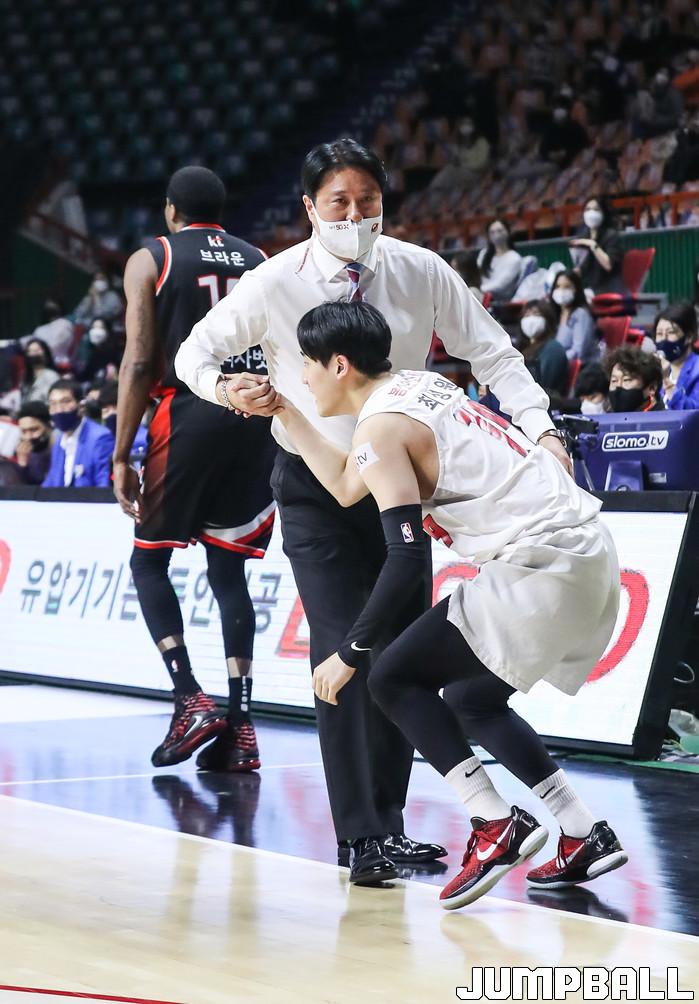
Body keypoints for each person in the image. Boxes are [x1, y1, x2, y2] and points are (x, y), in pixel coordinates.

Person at [175, 138, 571, 886]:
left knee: (397, 654)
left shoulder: (421, 269)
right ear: (309, 208)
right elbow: (191, 354)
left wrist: (541, 428)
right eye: (339, 203)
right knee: (344, 646)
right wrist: (226, 389)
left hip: (397, 478)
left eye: (368, 202)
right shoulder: (271, 281)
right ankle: (360, 837)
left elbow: (494, 354)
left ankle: (389, 825)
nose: (355, 215)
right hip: (315, 480)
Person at [275, 299, 626, 910]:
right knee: (471, 699)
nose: (302, 376)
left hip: (541, 562)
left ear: (339, 365)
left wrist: (349, 651)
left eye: (306, 363)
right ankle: (581, 831)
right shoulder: (421, 386)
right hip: (589, 552)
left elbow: (405, 556)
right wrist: (284, 411)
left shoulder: (378, 430)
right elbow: (347, 485)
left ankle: (494, 822)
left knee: (390, 677)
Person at [113, 166, 277, 775]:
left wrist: (121, 453)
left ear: (170, 210)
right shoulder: (259, 260)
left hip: (187, 411)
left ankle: (189, 697)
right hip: (255, 416)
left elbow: (138, 361)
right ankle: (241, 726)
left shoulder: (152, 257)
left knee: (148, 561)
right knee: (228, 571)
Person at [43, 378, 113, 487]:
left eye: (65, 402)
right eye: (53, 404)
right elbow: (50, 485)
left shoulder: (100, 438)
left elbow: (103, 485)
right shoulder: (59, 443)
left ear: (81, 406)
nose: (59, 409)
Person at [569, 197, 627, 296]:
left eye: (596, 209)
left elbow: (608, 265)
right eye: (587, 209)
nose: (591, 213)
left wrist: (593, 245)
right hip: (591, 288)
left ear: (603, 213)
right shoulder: (583, 236)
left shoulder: (611, 235)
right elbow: (583, 269)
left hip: (610, 289)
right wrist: (576, 272)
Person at [516, 300, 568, 399]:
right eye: (526, 315)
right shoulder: (524, 348)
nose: (531, 319)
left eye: (536, 314)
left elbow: (542, 383)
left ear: (547, 319)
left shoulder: (553, 348)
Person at [653, 303, 699, 410]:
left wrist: (665, 380)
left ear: (689, 337)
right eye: (659, 334)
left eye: (670, 333)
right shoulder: (655, 369)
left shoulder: (697, 370)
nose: (663, 339)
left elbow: (694, 412)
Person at [550, 269, 600, 365]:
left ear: (576, 290)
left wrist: (555, 360)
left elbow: (578, 351)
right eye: (558, 286)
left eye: (567, 287)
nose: (561, 291)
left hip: (581, 367)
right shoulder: (555, 315)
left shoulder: (581, 314)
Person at [604, 347, 664, 413]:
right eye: (614, 381)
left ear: (652, 388)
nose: (618, 386)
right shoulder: (604, 418)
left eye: (626, 380)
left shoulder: (666, 419)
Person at [476, 219, 522, 303]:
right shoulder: (484, 254)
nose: (496, 235)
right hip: (481, 294)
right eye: (492, 232)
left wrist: (480, 290)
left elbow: (501, 284)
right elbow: (477, 276)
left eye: (500, 231)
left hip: (500, 299)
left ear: (508, 232)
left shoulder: (514, 258)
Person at [21, 299, 75, 366]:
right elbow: (32, 343)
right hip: (42, 363)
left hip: (60, 363)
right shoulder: (40, 329)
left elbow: (54, 346)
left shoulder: (64, 324)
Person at [14, 400, 54, 484]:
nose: (28, 437)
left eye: (34, 430)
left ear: (49, 426)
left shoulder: (63, 450)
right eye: (24, 431)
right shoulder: (26, 455)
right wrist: (23, 465)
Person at [73, 317, 121, 383]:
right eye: (94, 327)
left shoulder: (114, 353)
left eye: (101, 328)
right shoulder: (85, 351)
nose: (96, 331)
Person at [21, 339, 60, 405]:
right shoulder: (26, 377)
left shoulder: (51, 376)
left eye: (37, 350)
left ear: (46, 353)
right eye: (30, 351)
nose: (33, 354)